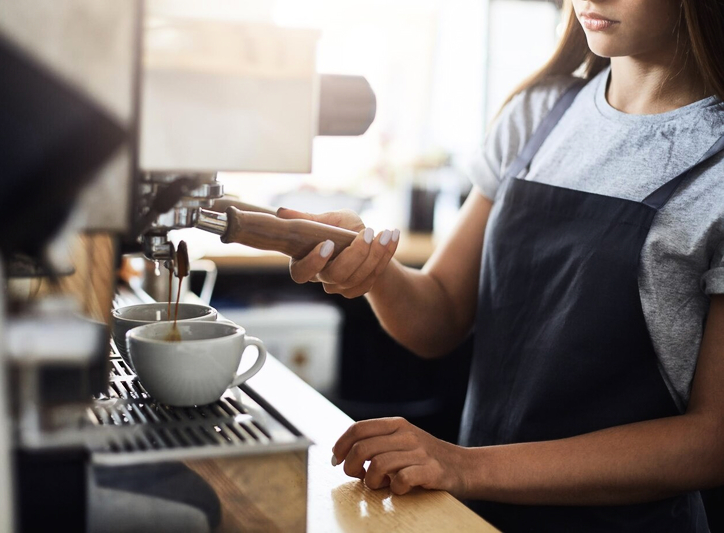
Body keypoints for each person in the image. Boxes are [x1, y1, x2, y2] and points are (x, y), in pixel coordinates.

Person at [277, 1, 724, 531]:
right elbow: (440, 314)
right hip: (472, 514)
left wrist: (462, 464)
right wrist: (372, 268)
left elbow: (711, 440)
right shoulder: (538, 112)